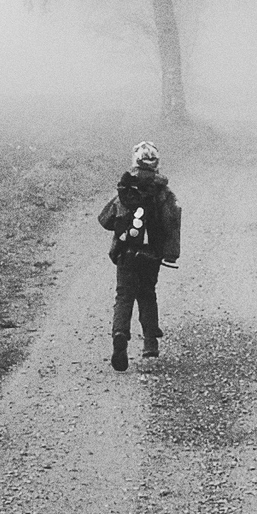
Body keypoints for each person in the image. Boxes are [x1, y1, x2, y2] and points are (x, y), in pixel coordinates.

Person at [97, 142, 181, 371]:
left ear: (134, 161)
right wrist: (171, 253)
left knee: (124, 296)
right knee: (147, 294)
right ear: (156, 163)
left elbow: (105, 219)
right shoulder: (163, 192)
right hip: (151, 254)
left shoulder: (126, 189)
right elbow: (171, 223)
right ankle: (150, 342)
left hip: (126, 253)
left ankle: (120, 333)